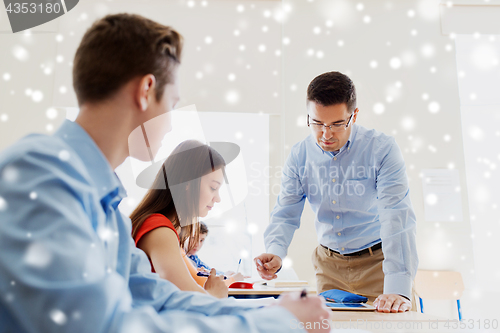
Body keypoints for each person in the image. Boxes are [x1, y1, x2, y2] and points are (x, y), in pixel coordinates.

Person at [0, 13, 330, 333]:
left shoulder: (107, 211)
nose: (171, 122)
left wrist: (274, 312)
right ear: (146, 90)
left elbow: (161, 300)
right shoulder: (41, 174)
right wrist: (277, 324)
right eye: (172, 104)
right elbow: (96, 326)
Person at [254, 71, 418, 314]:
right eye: (317, 123)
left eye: (337, 124)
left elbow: (396, 216)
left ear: (354, 116)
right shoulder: (300, 155)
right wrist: (276, 252)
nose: (326, 134)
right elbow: (285, 212)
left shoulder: (381, 149)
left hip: (379, 264)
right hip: (328, 267)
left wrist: (397, 285)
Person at [130, 140, 231, 298]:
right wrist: (214, 294)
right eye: (213, 188)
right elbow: (191, 301)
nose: (217, 198)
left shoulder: (160, 227)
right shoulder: (159, 229)